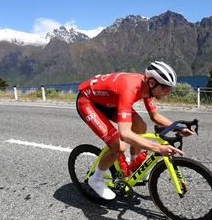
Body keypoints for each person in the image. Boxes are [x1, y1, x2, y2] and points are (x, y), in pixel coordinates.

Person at [76, 61, 194, 200]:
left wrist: (179, 128)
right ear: (152, 83)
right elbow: (125, 134)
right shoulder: (130, 89)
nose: (167, 92)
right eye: (165, 88)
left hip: (110, 101)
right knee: (119, 147)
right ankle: (95, 179)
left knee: (140, 126)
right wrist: (158, 148)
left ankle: (134, 167)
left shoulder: (147, 89)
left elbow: (155, 116)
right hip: (88, 102)